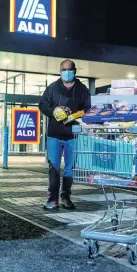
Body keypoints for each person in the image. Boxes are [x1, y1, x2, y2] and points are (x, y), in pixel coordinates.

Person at [39, 59, 91, 210]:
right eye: (64, 70)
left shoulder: (82, 89)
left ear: (74, 71)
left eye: (69, 70)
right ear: (60, 71)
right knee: (53, 166)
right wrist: (53, 112)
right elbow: (42, 105)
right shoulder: (53, 88)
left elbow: (88, 108)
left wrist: (75, 115)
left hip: (73, 135)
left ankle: (65, 196)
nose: (66, 72)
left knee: (70, 168)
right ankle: (52, 198)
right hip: (54, 134)